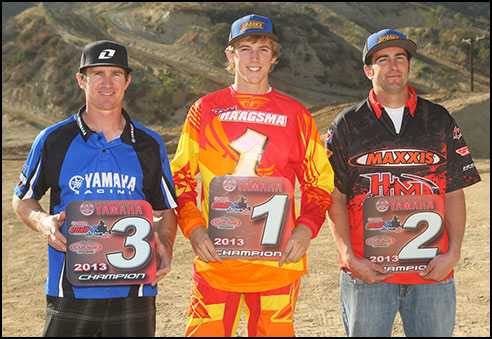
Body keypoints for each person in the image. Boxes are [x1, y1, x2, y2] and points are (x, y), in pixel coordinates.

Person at [170, 14, 334, 337]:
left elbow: (320, 181)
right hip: (217, 263)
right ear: (230, 57)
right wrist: (194, 229)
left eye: (262, 49)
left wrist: (306, 229)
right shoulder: (204, 110)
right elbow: (181, 178)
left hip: (277, 267)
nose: (254, 58)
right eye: (244, 49)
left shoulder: (296, 115)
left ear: (274, 58)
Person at [12, 40, 178, 337]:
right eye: (97, 73)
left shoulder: (150, 144)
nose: (107, 82)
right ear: (81, 80)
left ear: (127, 81)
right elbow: (22, 199)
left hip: (135, 290)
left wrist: (165, 243)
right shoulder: (53, 140)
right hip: (71, 289)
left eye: (115, 73)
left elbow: (165, 208)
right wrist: (43, 223)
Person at [325, 29, 481, 337]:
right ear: (368, 70)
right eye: (383, 59)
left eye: (400, 58)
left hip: (431, 271)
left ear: (409, 66)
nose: (393, 65)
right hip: (367, 272)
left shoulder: (438, 119)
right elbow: (335, 196)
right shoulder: (347, 124)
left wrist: (454, 253)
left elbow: (453, 191)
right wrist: (349, 256)